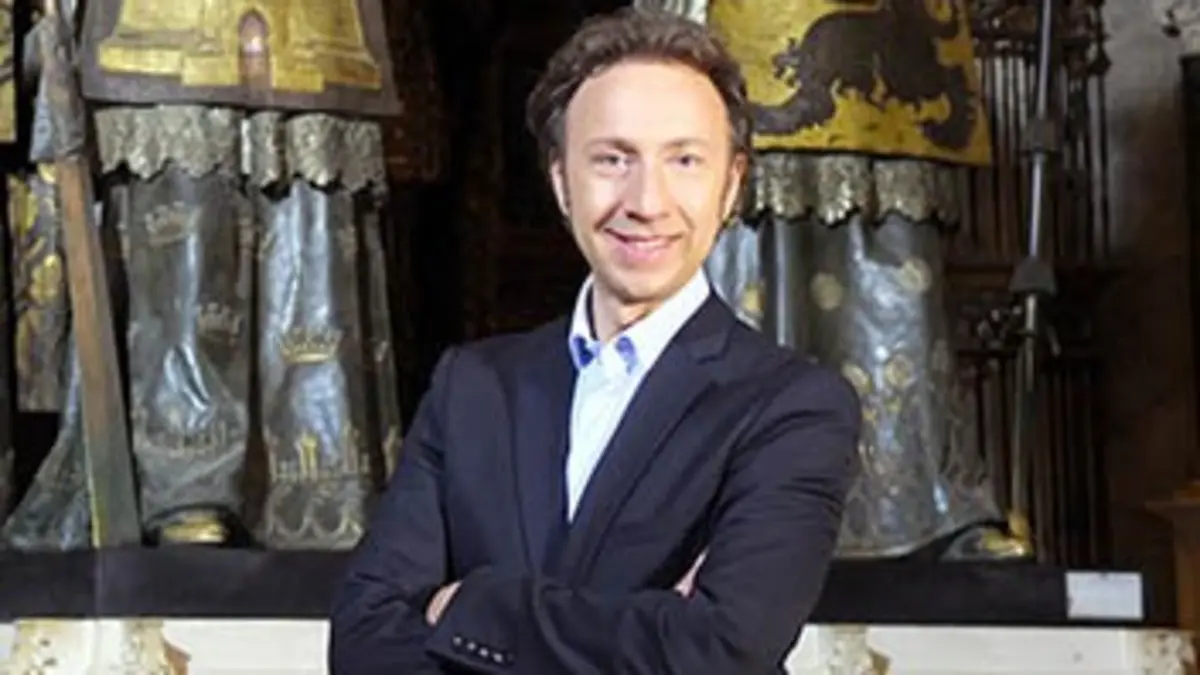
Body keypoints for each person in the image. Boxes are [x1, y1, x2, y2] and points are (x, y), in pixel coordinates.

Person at [328, 8, 862, 674]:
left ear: (730, 185)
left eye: (685, 160)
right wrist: (646, 629)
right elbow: (362, 642)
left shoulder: (793, 406)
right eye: (613, 159)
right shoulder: (472, 386)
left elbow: (721, 649)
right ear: (561, 181)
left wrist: (478, 608)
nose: (647, 201)